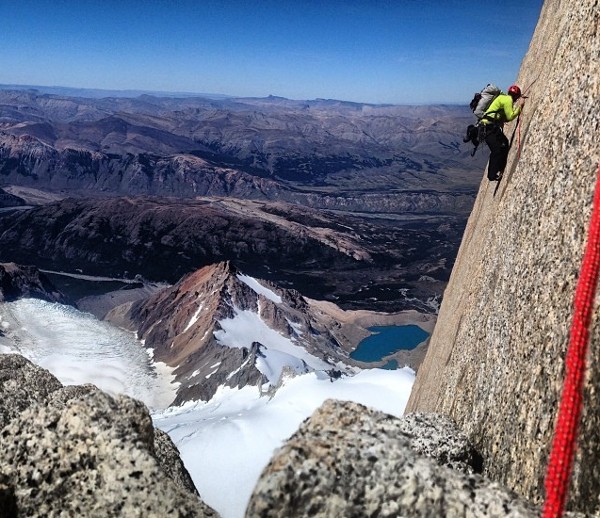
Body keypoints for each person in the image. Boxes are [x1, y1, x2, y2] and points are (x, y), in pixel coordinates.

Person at [480, 84, 524, 181]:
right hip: (488, 127)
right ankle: (492, 175)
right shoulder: (508, 99)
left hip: (487, 127)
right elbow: (510, 116)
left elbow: (504, 116)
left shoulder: (503, 98)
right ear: (516, 96)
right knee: (497, 149)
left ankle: (499, 168)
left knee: (503, 144)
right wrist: (520, 107)